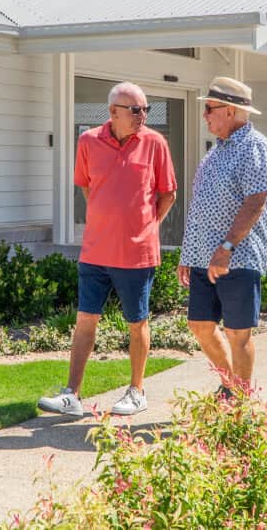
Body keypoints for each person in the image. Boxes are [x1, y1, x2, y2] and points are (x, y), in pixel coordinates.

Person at [38, 81, 177, 417]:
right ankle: (72, 395)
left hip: (137, 254)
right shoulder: (88, 142)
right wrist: (108, 221)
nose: (143, 116)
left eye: (146, 109)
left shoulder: (155, 143)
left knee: (137, 321)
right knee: (85, 321)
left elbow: (167, 194)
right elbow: (87, 188)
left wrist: (144, 228)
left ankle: (137, 391)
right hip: (95, 252)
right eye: (136, 110)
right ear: (114, 112)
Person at [177, 76, 267, 395]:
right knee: (200, 326)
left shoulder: (255, 147)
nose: (205, 115)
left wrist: (227, 247)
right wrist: (187, 255)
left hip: (238, 256)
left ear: (230, 111)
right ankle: (231, 386)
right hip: (203, 257)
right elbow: (200, 206)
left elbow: (255, 202)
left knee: (238, 332)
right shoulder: (216, 152)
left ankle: (240, 404)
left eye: (209, 108)